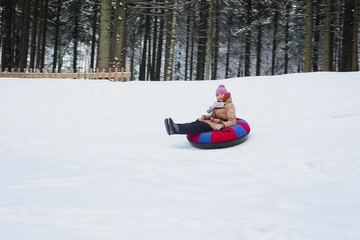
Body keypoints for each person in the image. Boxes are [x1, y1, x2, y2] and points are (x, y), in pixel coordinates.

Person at [164, 84, 237, 135]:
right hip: (211, 122)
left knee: (199, 126)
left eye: (221, 94)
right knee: (196, 122)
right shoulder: (217, 104)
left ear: (225, 95)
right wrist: (204, 117)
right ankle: (175, 127)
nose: (219, 96)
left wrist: (222, 125)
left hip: (216, 125)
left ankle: (176, 129)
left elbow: (233, 121)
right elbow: (212, 115)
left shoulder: (229, 106)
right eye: (217, 95)